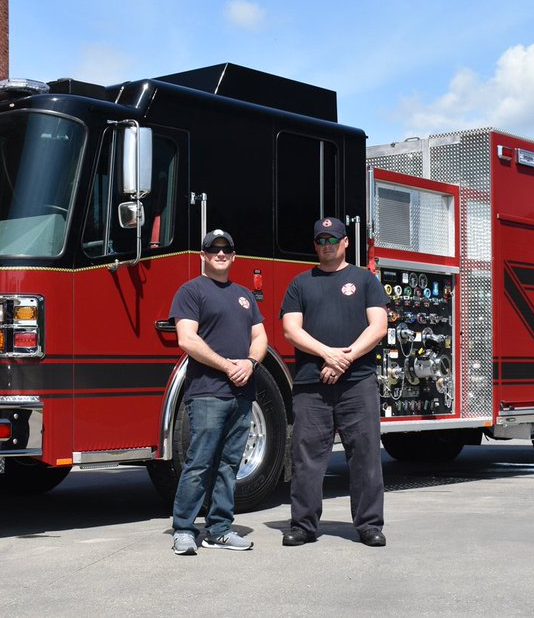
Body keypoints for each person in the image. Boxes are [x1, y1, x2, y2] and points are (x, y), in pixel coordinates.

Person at [280, 217, 389, 547]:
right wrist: (329, 354)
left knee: (366, 454)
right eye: (321, 240)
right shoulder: (300, 284)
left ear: (345, 243)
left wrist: (345, 358)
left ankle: (369, 524)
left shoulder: (365, 280)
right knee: (307, 456)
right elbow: (290, 330)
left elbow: (379, 326)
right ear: (315, 246)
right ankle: (303, 524)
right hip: (312, 385)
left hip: (358, 383)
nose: (327, 245)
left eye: (333, 239)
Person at [167, 229, 267, 555]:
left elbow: (261, 337)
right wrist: (227, 366)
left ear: (234, 256)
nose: (220, 254)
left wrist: (250, 363)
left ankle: (219, 529)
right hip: (208, 391)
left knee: (230, 464)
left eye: (226, 250)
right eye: (213, 249)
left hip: (242, 392)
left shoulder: (244, 295)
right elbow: (187, 339)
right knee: (200, 462)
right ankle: (184, 529)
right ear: (203, 256)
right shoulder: (191, 291)